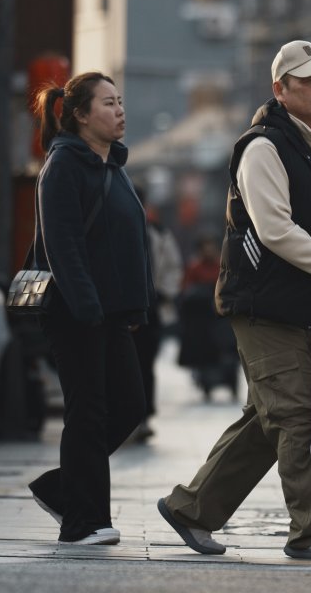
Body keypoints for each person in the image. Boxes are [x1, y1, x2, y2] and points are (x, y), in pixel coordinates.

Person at [157, 39, 311, 561]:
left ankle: (190, 510)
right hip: (263, 303)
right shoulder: (263, 146)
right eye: (308, 80)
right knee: (296, 415)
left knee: (266, 423)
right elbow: (275, 230)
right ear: (280, 89)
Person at [26, 72, 152, 545]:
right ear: (79, 114)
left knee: (129, 406)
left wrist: (137, 303)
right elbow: (64, 247)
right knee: (89, 413)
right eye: (107, 103)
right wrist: (87, 308)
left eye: (120, 102)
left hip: (113, 314)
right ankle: (83, 521)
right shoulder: (62, 167)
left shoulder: (113, 167)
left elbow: (131, 242)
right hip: (77, 312)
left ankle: (64, 491)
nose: (119, 111)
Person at [130, 185, 183, 443]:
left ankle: (143, 417)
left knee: (145, 364)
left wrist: (163, 293)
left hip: (152, 309)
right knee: (122, 365)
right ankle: (123, 416)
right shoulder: (116, 230)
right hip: (122, 309)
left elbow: (174, 267)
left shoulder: (160, 234)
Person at [177, 234, 239, 401]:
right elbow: (185, 291)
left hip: (220, 320)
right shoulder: (194, 268)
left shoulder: (222, 265)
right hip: (202, 321)